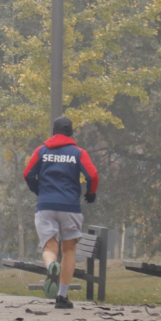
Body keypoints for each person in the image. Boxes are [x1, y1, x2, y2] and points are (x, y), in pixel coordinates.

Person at [22, 116, 98, 309]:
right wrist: (91, 192)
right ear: (71, 132)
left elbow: (28, 173)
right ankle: (62, 297)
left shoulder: (41, 151)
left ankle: (51, 267)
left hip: (46, 206)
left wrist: (39, 191)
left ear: (54, 131)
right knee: (69, 249)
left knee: (49, 247)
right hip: (70, 207)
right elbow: (93, 175)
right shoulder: (78, 153)